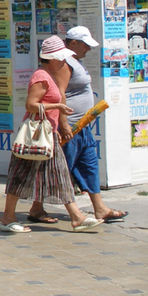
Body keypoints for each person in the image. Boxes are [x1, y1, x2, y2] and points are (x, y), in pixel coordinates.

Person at [0, 36, 104, 233]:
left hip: (49, 134)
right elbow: (31, 105)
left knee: (61, 176)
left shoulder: (49, 75)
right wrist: (57, 106)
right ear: (54, 58)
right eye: (62, 58)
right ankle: (8, 217)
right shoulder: (41, 77)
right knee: (21, 176)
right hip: (38, 136)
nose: (65, 62)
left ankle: (77, 217)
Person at [26, 27, 127, 224]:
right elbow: (60, 93)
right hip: (70, 126)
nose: (87, 49)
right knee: (59, 169)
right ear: (72, 43)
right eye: (84, 45)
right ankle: (40, 208)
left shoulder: (74, 62)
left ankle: (99, 208)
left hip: (83, 125)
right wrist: (63, 124)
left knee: (89, 164)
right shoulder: (64, 64)